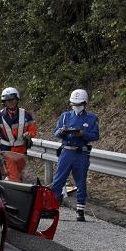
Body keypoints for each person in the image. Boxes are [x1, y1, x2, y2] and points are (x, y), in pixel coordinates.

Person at [51, 89, 99, 222]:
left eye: (79, 104)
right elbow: (55, 133)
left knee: (81, 181)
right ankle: (53, 207)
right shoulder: (65, 116)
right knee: (58, 180)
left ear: (85, 103)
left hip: (81, 152)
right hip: (66, 151)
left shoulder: (92, 118)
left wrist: (82, 134)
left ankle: (80, 210)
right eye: (74, 104)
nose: (76, 106)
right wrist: (62, 132)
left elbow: (95, 135)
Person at [0, 87, 37, 182]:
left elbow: (33, 129)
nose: (10, 102)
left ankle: (0, 186)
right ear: (4, 102)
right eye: (7, 101)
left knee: (21, 174)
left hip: (21, 151)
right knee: (14, 177)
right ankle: (14, 194)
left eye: (12, 100)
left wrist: (29, 134)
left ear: (17, 99)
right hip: (6, 150)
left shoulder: (26, 114)